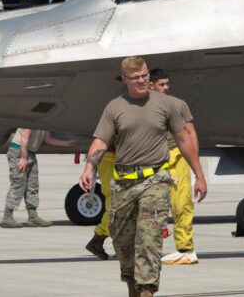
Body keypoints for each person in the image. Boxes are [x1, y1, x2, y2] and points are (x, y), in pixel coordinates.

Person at [79, 57, 207, 297]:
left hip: (155, 179)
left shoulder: (165, 104)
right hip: (124, 182)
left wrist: (198, 175)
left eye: (145, 75)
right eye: (135, 77)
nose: (141, 80)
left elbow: (184, 138)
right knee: (123, 243)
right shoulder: (114, 107)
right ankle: (134, 289)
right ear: (124, 80)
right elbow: (101, 140)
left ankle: (147, 291)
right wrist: (88, 168)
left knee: (149, 239)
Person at [149, 68, 199, 265]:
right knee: (151, 206)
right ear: (151, 85)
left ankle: (185, 249)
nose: (166, 88)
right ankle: (150, 248)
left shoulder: (178, 105)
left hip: (176, 157)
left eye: (167, 84)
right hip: (151, 159)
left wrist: (196, 166)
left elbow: (191, 133)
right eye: (161, 85)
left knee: (181, 204)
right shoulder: (142, 105)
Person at [2, 128, 78, 228]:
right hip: (19, 151)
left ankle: (33, 217)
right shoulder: (33, 118)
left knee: (33, 184)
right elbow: (24, 138)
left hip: (30, 152)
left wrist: (66, 143)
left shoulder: (45, 122)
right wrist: (23, 158)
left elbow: (48, 139)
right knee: (18, 183)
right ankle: (7, 217)